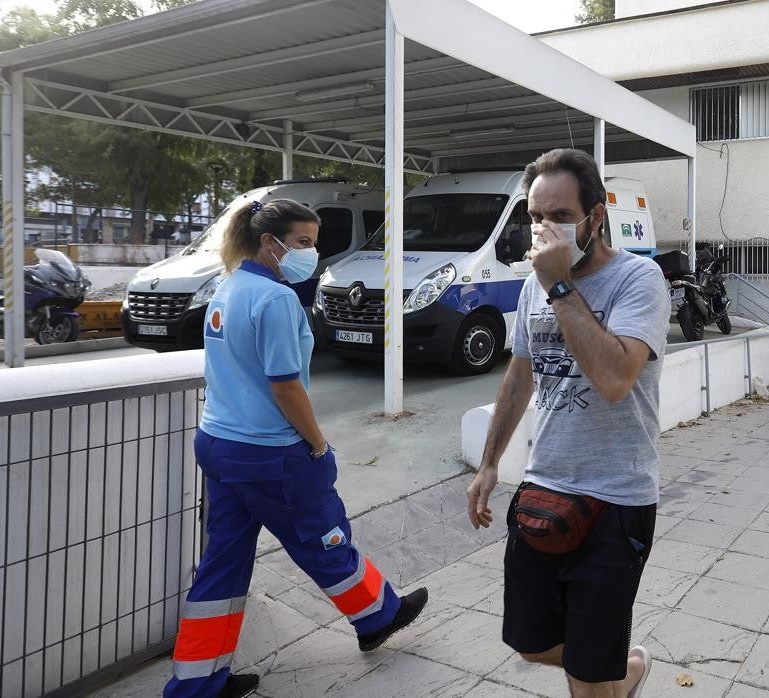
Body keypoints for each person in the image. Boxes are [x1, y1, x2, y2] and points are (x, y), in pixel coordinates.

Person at [164, 199, 427, 698]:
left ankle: (196, 684)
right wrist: (319, 444)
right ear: (271, 243)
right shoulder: (277, 299)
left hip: (218, 444)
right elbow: (286, 386)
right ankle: (379, 617)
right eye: (304, 243)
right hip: (272, 454)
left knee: (223, 562)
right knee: (325, 540)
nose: (313, 253)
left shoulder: (227, 286)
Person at [465, 149, 671, 698]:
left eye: (559, 216)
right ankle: (621, 672)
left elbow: (613, 379)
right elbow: (520, 375)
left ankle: (604, 672)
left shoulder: (639, 279)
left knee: (586, 671)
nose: (544, 229)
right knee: (529, 641)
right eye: (535, 216)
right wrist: (489, 463)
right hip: (545, 483)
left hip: (617, 497)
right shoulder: (535, 282)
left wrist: (559, 286)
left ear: (596, 216)